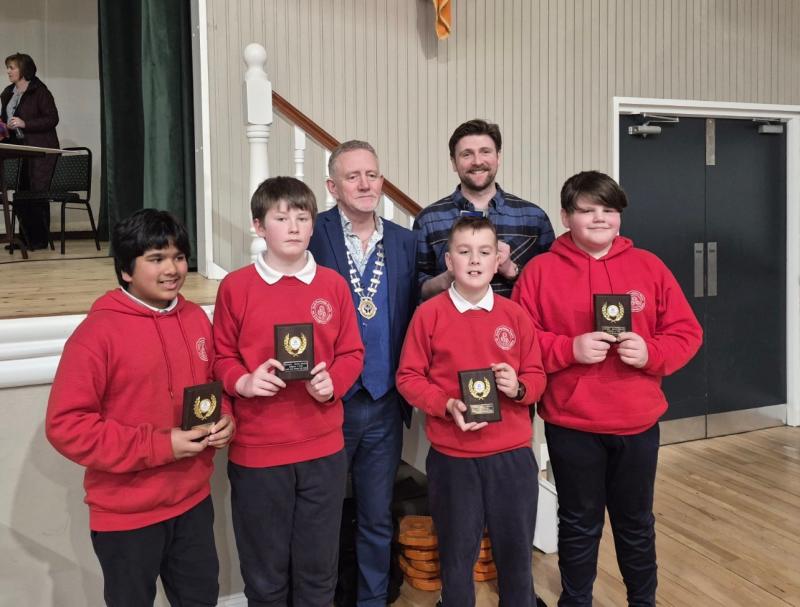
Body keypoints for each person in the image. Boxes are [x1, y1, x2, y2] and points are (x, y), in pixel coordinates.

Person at [512, 171, 703, 606]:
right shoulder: (540, 272)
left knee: (636, 523)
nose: (599, 218)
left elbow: (686, 332)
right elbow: (522, 342)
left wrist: (651, 352)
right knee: (578, 523)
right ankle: (576, 601)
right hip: (572, 424)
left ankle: (643, 601)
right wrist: (569, 349)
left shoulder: (650, 267)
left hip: (637, 423)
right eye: (587, 210)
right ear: (566, 217)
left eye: (609, 210)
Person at [46, 209, 235, 606]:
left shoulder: (195, 318)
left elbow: (214, 385)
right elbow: (67, 426)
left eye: (178, 256)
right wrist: (161, 445)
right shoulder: (96, 334)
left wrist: (226, 418)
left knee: (202, 598)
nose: (172, 269)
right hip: (126, 514)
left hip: (193, 501)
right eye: (156, 258)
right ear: (125, 270)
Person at [212, 176, 365, 606]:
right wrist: (244, 381)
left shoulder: (333, 285)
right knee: (266, 578)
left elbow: (352, 352)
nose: (294, 227)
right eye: (281, 218)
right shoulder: (236, 287)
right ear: (259, 226)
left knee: (319, 575)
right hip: (258, 453)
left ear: (314, 224)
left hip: (323, 451)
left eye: (302, 217)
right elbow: (221, 357)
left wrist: (332, 383)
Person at [396, 216, 547, 607]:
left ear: (498, 261)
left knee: (516, 558)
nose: (475, 260)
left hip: (511, 457)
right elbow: (408, 378)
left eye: (484, 252)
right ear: (449, 261)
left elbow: (537, 377)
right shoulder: (429, 315)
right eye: (464, 252)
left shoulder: (515, 315)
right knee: (456, 558)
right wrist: (446, 405)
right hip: (453, 459)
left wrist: (518, 387)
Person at [308, 140, 418, 606]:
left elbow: (414, 310)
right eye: (352, 176)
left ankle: (373, 600)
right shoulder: (312, 234)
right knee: (321, 517)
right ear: (333, 187)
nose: (364, 184)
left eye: (371, 174)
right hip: (328, 402)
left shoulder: (405, 241)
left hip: (384, 403)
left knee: (376, 516)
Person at [414, 118, 554, 300]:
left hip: (516, 318)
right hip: (452, 318)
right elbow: (415, 289)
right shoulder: (428, 220)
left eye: (485, 152)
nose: (477, 161)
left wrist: (511, 270)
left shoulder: (534, 218)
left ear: (498, 157)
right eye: (467, 154)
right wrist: (450, 276)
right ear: (454, 162)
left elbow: (551, 284)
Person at [1, 52, 60, 249]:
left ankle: (38, 241)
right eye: (8, 67)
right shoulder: (8, 93)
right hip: (19, 151)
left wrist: (26, 123)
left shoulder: (39, 91)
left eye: (12, 67)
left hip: (39, 151)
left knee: (36, 194)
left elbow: (52, 119)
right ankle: (24, 239)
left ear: (23, 69)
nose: (8, 71)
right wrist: (3, 127)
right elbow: (5, 119)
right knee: (21, 195)